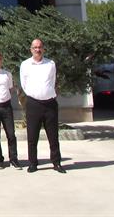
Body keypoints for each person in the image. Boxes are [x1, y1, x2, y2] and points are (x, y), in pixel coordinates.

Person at [20, 38, 65, 173]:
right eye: (35, 47)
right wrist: (35, 94)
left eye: (39, 47)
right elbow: (24, 83)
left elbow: (52, 81)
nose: (37, 50)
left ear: (43, 49)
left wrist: (47, 93)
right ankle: (33, 163)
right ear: (31, 49)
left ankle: (56, 163)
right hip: (33, 104)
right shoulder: (25, 65)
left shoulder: (50, 64)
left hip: (50, 104)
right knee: (32, 136)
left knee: (53, 136)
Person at [0, 50, 21, 170]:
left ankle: (14, 159)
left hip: (6, 107)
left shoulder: (7, 74)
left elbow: (10, 89)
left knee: (11, 134)